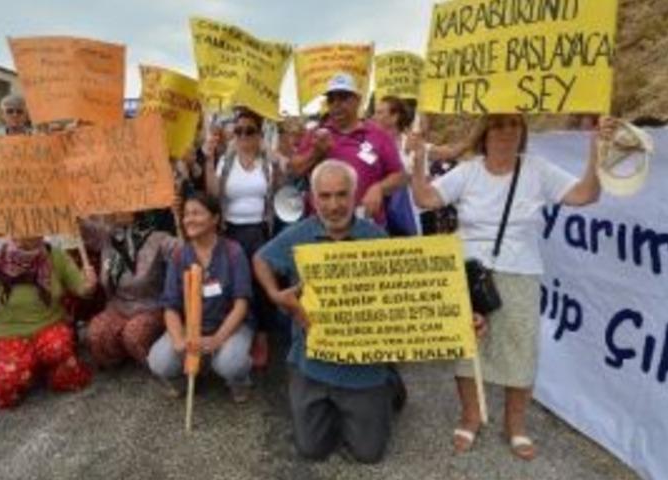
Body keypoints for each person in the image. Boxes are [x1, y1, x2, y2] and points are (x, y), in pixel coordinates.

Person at [409, 113, 615, 460]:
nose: (506, 132)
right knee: (468, 350)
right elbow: (426, 198)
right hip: (471, 272)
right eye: (499, 125)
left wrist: (597, 148)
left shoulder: (537, 169)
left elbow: (585, 195)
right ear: (484, 132)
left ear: (522, 132)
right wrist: (417, 160)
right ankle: (471, 416)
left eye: (514, 125)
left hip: (521, 271)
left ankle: (515, 424)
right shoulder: (470, 170)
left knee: (522, 349)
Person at [252, 160, 406, 463]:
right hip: (311, 360)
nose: (334, 205)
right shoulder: (298, 235)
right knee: (311, 449)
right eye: (325, 196)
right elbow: (260, 258)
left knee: (369, 453)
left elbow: (404, 296)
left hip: (364, 364)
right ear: (312, 198)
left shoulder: (377, 239)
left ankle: (391, 385)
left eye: (341, 194)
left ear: (354, 195)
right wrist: (274, 294)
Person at [0, 236, 97, 409]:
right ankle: (29, 368)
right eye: (21, 229)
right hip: (8, 333)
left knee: (58, 348)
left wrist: (89, 286)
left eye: (34, 228)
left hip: (49, 325)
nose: (29, 234)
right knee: (5, 383)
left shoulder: (55, 256)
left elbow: (80, 288)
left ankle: (46, 368)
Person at [147, 193, 255, 403]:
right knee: (160, 361)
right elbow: (170, 305)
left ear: (215, 218)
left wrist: (218, 339)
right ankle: (190, 373)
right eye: (186, 214)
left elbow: (241, 304)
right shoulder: (180, 255)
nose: (189, 219)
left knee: (231, 363)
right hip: (193, 327)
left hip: (230, 326)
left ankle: (239, 380)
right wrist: (179, 340)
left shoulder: (233, 251)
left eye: (196, 213)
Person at [204, 107, 279, 367]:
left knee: (260, 285)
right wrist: (209, 159)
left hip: (260, 231)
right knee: (235, 284)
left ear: (260, 134)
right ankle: (237, 331)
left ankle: (261, 336)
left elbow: (281, 193)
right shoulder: (226, 161)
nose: (243, 136)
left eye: (249, 131)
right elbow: (213, 194)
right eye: (238, 131)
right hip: (231, 231)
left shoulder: (268, 162)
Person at [290, 73, 405, 225]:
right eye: (331, 100)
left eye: (343, 98)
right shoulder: (316, 134)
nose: (336, 104)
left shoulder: (378, 136)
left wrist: (379, 188)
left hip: (366, 225)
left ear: (357, 101)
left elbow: (399, 176)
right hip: (323, 227)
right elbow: (295, 170)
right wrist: (316, 153)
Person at [80, 211, 178, 369]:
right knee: (95, 334)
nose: (119, 209)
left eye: (124, 205)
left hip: (150, 307)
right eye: (114, 207)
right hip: (118, 307)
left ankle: (156, 362)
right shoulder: (107, 238)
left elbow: (183, 251)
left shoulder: (157, 237)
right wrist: (75, 210)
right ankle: (121, 356)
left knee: (134, 334)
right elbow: (85, 228)